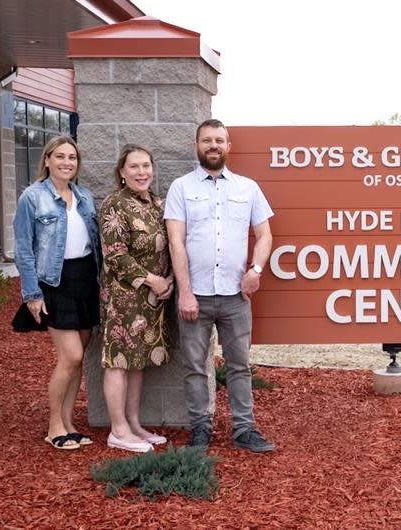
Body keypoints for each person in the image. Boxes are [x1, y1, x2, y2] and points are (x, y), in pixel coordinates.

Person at [164, 119, 275, 452]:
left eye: (219, 140)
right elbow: (175, 242)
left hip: (236, 296)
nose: (213, 145)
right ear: (196, 146)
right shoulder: (181, 188)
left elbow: (266, 234)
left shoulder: (247, 188)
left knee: (240, 365)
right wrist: (184, 291)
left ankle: (245, 430)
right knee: (196, 367)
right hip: (195, 295)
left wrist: (255, 269)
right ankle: (201, 429)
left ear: (229, 146)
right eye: (207, 140)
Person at [13, 136, 101, 450]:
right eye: (60, 156)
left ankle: (68, 424)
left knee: (78, 360)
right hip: (54, 283)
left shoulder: (85, 197)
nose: (67, 162)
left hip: (85, 281)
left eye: (72, 158)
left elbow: (95, 245)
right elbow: (23, 249)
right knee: (71, 356)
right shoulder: (32, 197)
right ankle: (54, 427)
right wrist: (31, 294)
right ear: (47, 160)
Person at [99, 144, 174, 453]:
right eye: (134, 167)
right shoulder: (114, 204)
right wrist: (154, 280)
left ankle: (133, 424)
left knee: (138, 361)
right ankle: (117, 430)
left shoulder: (157, 204)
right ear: (122, 172)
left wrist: (167, 280)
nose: (142, 172)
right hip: (123, 298)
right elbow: (115, 255)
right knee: (118, 360)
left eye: (146, 166)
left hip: (152, 301)